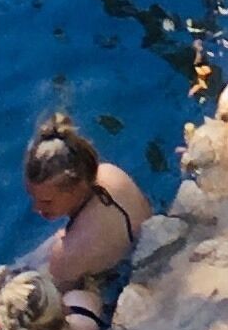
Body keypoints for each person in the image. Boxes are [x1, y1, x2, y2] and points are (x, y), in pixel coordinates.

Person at [15, 111, 152, 296]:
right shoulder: (111, 172)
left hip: (113, 282)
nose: (36, 208)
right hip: (137, 244)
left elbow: (50, 305)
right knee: (29, 262)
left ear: (76, 187)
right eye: (33, 197)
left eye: (46, 201)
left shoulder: (66, 256)